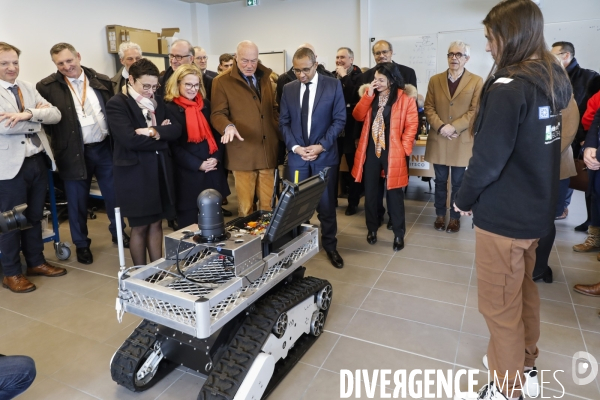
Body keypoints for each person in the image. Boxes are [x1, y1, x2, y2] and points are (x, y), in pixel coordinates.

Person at [452, 1, 572, 399]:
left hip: (504, 219)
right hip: (536, 213)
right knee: (523, 293)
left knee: (499, 308)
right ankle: (526, 363)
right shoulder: (551, 80)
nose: (487, 47)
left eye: (490, 38)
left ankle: (508, 389)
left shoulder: (508, 88)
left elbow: (487, 161)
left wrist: (463, 197)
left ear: (512, 36)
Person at [37, 42, 128, 266]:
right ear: (54, 64)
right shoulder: (46, 87)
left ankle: (118, 232)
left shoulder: (102, 80)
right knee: (77, 201)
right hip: (72, 152)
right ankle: (82, 244)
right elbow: (46, 121)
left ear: (78, 56)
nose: (67, 66)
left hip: (104, 148)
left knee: (113, 196)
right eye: (60, 63)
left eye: (70, 60)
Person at [0, 42, 66, 293]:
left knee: (35, 216)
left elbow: (56, 115)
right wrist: (37, 117)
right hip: (8, 167)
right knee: (11, 221)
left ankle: (35, 262)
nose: (11, 67)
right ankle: (11, 273)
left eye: (15, 62)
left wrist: (27, 114)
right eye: (4, 63)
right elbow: (4, 126)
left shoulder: (28, 87)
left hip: (37, 160)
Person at [105, 58, 181, 266]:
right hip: (134, 175)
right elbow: (129, 140)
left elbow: (175, 130)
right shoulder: (117, 104)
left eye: (154, 86)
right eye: (145, 86)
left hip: (158, 171)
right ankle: (140, 272)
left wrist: (151, 132)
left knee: (157, 223)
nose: (150, 91)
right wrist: (161, 137)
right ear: (131, 79)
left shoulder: (158, 101)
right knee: (139, 226)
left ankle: (157, 270)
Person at [279, 47, 346, 269]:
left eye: (306, 70)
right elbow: (284, 122)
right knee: (296, 206)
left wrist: (320, 146)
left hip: (323, 156)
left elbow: (339, 120)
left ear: (315, 64)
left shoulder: (332, 85)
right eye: (296, 70)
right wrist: (297, 147)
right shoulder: (288, 88)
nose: (301, 75)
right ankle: (297, 246)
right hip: (298, 157)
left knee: (326, 205)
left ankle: (330, 245)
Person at [352, 62, 418, 252]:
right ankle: (372, 228)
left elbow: (412, 125)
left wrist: (404, 148)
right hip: (371, 148)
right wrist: (368, 96)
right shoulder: (370, 96)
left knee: (394, 193)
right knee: (371, 191)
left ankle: (398, 233)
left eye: (381, 79)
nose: (377, 82)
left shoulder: (404, 98)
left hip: (393, 150)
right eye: (375, 79)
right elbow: (357, 115)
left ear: (391, 80)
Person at [211, 40, 280, 217]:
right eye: (245, 60)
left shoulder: (265, 77)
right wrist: (228, 126)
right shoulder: (222, 81)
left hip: (267, 150)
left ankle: (267, 242)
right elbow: (217, 113)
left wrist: (281, 130)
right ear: (236, 58)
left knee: (269, 207)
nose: (250, 65)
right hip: (242, 151)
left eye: (254, 60)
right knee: (246, 208)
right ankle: (250, 243)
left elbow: (272, 109)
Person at [424, 41, 483, 233]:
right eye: (450, 54)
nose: (454, 58)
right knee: (440, 181)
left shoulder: (476, 81)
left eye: (459, 54)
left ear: (467, 58)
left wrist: (454, 127)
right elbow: (429, 107)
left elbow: (475, 110)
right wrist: (441, 127)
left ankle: (455, 217)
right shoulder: (435, 80)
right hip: (439, 138)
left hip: (461, 138)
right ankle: (440, 214)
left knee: (458, 182)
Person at [164, 64, 230, 227]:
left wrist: (215, 158)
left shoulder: (206, 104)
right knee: (190, 227)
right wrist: (198, 164)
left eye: (196, 84)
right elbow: (173, 147)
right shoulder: (168, 108)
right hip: (187, 176)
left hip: (212, 172)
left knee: (214, 226)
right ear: (177, 83)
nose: (193, 89)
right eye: (188, 84)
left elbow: (217, 134)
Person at [551, 42, 599, 226]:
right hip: (555, 134)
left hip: (579, 138)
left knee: (581, 178)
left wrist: (587, 139)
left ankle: (591, 222)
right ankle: (559, 209)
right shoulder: (552, 77)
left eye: (554, 54)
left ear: (566, 55)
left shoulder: (590, 77)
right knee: (560, 174)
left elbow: (594, 111)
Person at [532, 96, 579, 283]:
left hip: (555, 168)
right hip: (529, 168)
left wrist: (535, 157)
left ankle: (540, 267)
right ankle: (530, 263)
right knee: (531, 217)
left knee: (546, 219)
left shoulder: (565, 97)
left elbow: (566, 134)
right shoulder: (531, 91)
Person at [333, 47, 363, 216]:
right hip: (335, 131)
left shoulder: (360, 77)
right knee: (332, 167)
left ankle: (353, 202)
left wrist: (344, 76)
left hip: (352, 132)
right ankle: (332, 199)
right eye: (337, 57)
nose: (339, 60)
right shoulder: (331, 75)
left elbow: (354, 97)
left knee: (353, 169)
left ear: (351, 59)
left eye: (343, 57)